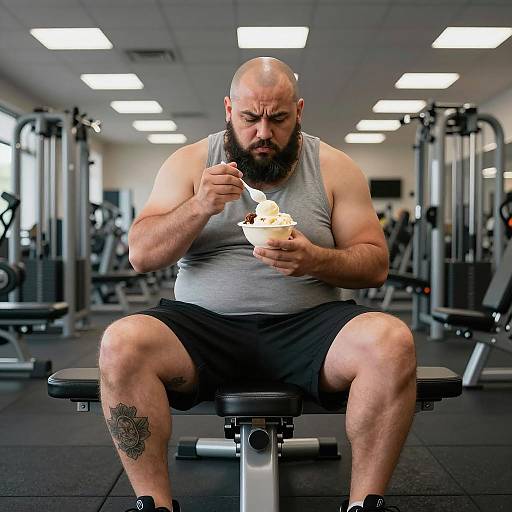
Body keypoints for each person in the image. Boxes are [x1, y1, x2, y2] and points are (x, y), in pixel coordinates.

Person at [99, 57, 416, 512]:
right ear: (229, 110)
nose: (263, 132)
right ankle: (154, 506)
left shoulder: (334, 167)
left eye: (278, 118)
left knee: (392, 341)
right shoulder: (189, 163)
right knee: (120, 343)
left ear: (299, 112)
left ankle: (365, 505)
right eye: (250, 118)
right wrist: (200, 205)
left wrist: (315, 258)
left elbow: (375, 265)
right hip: (201, 328)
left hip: (312, 327)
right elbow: (141, 255)